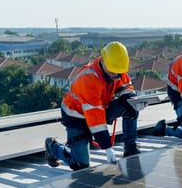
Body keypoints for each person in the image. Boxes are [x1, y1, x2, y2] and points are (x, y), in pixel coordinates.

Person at [45, 41, 140, 170]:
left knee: (131, 106)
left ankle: (130, 148)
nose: (116, 76)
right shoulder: (89, 78)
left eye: (118, 73)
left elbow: (126, 86)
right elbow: (95, 118)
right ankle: (53, 147)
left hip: (99, 109)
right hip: (76, 116)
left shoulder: (117, 68)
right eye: (113, 72)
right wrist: (107, 147)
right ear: (104, 62)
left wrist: (127, 97)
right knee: (80, 165)